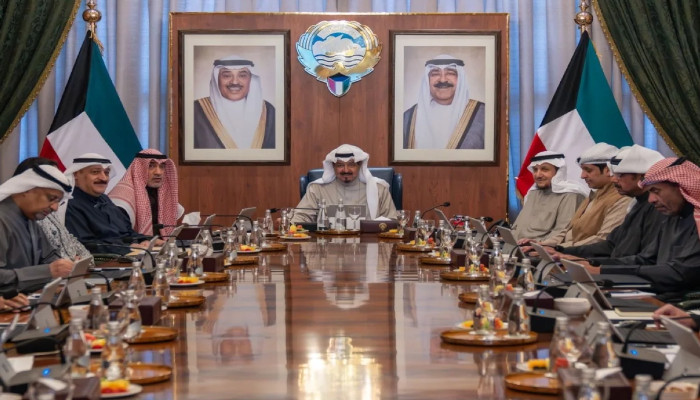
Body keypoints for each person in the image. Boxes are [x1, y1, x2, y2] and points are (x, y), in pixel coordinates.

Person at [589, 157, 700, 297]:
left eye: (656, 191)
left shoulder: (697, 220)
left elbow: (678, 274)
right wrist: (592, 264)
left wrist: (604, 271)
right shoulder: (671, 218)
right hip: (660, 295)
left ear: (681, 187)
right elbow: (646, 259)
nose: (651, 200)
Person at [554, 145, 665, 259]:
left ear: (641, 177)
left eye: (620, 175)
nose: (613, 179)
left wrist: (595, 266)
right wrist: (562, 251)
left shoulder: (656, 208)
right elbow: (610, 244)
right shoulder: (636, 204)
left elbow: (645, 260)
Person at [530, 143, 630, 248]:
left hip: (584, 256)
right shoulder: (593, 195)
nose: (582, 176)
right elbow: (568, 231)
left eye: (588, 170)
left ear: (608, 170)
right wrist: (541, 245)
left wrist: (559, 249)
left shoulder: (621, 199)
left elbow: (603, 240)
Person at [0, 161, 74, 292]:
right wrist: (47, 272)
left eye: (58, 201)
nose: (55, 208)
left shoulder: (31, 219)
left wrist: (64, 267)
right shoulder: (2, 219)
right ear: (26, 190)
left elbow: (49, 257)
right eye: (51, 198)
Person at [64, 153, 151, 254]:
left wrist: (144, 240)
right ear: (76, 175)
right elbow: (86, 245)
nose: (104, 178)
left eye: (106, 173)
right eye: (95, 172)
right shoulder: (70, 205)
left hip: (128, 255)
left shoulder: (104, 199)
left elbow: (126, 232)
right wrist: (127, 248)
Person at [291, 144, 397, 223]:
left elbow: (392, 221)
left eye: (351, 164)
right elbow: (300, 218)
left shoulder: (379, 189)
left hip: (369, 244)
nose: (346, 170)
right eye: (340, 165)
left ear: (360, 165)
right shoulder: (317, 189)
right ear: (333, 166)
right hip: (327, 244)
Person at [13, 157, 91, 261]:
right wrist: (67, 263)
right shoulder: (17, 217)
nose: (55, 207)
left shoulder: (46, 211)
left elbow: (70, 239)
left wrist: (85, 261)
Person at [403, 54, 485, 149]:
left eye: (450, 73)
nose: (442, 79)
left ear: (460, 78)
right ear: (427, 80)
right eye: (435, 74)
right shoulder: (408, 118)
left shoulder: (483, 114)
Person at [194, 55, 275, 149]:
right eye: (227, 75)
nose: (235, 82)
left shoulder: (268, 111)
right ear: (217, 79)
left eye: (242, 75)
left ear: (251, 79)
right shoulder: (196, 110)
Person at [510, 151, 587, 242]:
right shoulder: (533, 193)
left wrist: (538, 244)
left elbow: (562, 233)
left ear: (558, 172)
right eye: (535, 170)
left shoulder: (571, 195)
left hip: (542, 248)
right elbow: (518, 227)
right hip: (517, 246)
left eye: (545, 170)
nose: (538, 175)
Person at [109, 149, 183, 237]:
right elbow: (117, 233)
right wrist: (146, 240)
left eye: (162, 166)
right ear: (139, 169)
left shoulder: (161, 193)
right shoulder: (123, 196)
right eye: (151, 166)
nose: (158, 172)